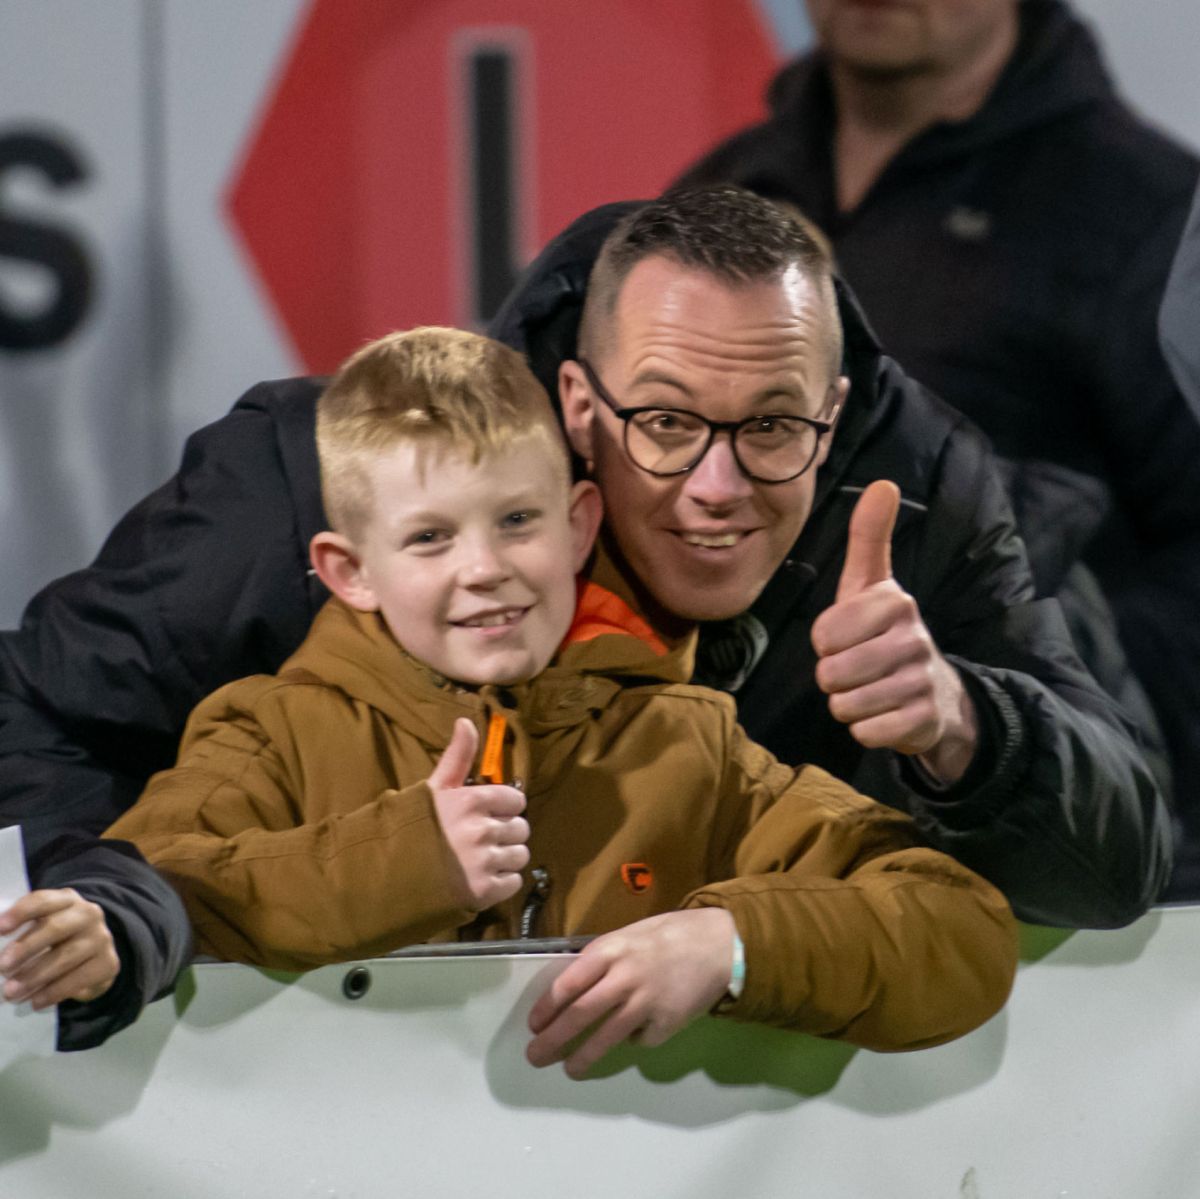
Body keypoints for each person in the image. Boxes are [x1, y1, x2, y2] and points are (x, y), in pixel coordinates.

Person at [0, 189, 1168, 1052]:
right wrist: (111, 950)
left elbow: (1107, 868)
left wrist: (964, 730)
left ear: (836, 410)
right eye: (665, 420)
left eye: (772, 427)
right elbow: (52, 731)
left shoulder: (914, 502)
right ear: (578, 412)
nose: (717, 487)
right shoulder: (314, 479)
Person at [105, 326, 1017, 1076]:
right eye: (429, 536)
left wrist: (730, 943)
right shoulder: (268, 730)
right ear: (350, 572)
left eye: (516, 520)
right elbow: (144, 890)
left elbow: (960, 927)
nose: (485, 567)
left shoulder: (687, 746)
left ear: (580, 525)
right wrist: (408, 858)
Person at [675, 0, 1200, 889]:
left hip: (1057, 883)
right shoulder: (726, 192)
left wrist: (1027, 698)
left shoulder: (1150, 212)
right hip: (757, 854)